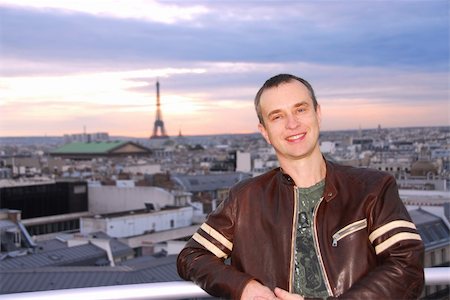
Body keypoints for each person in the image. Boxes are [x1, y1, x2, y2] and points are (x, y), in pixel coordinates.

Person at [177, 74, 424, 299]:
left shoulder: (372, 188)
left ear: (318, 113)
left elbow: (407, 265)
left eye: (300, 110)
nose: (292, 124)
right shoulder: (245, 199)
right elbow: (192, 256)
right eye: (277, 116)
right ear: (264, 131)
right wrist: (244, 287)